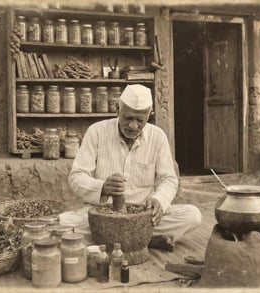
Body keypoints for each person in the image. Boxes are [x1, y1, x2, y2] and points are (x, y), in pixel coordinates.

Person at [61, 84, 202, 251]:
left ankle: (120, 240)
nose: (133, 126)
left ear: (149, 115)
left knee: (192, 215)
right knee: (62, 223)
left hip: (142, 217)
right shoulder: (97, 132)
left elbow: (168, 179)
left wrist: (160, 200)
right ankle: (144, 240)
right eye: (128, 118)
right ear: (117, 109)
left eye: (140, 120)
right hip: (103, 216)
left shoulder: (157, 137)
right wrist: (102, 188)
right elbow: (76, 176)